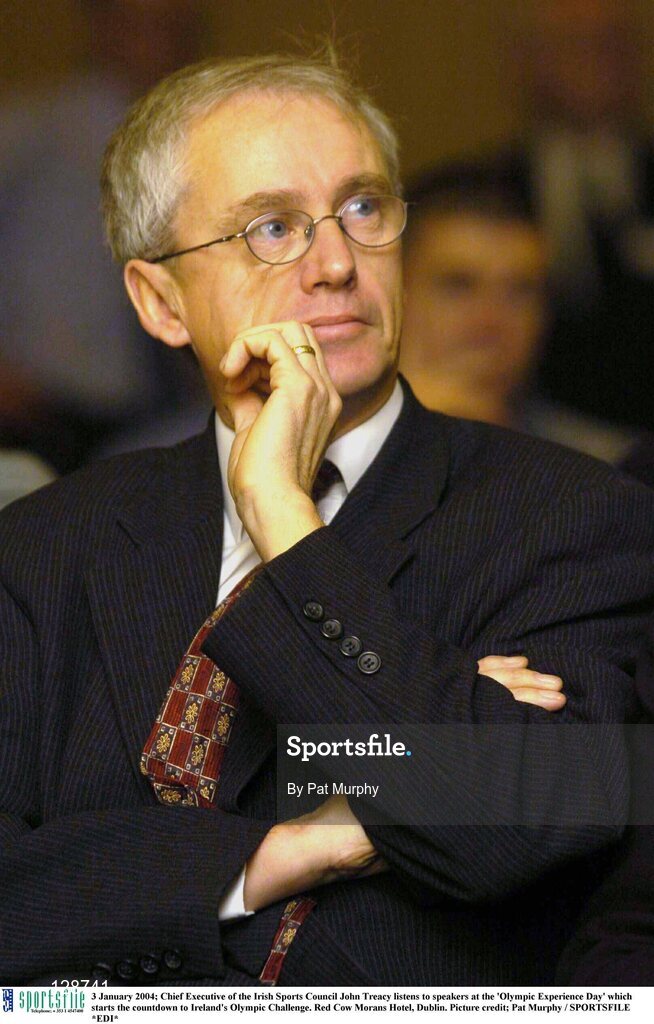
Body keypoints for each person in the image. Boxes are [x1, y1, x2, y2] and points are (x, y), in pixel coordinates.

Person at [2, 51, 654, 987]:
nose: (338, 262)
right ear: (159, 302)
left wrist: (282, 517)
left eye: (364, 209)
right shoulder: (44, 545)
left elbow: (497, 830)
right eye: (272, 228)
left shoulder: (578, 520)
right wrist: (285, 852)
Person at [483, 0, 654, 435]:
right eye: (570, 45)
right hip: (522, 426)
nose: (589, 64)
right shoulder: (489, 186)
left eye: (606, 46)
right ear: (529, 60)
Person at [400, 165, 640, 463]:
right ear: (394, 294)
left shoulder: (606, 471)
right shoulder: (332, 454)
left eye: (521, 292)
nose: (489, 321)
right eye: (458, 286)